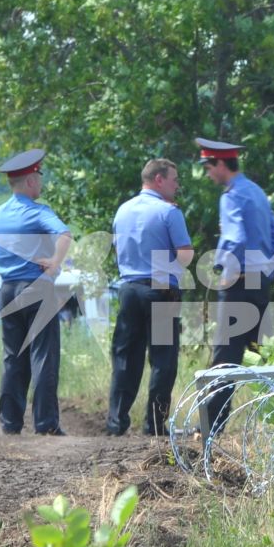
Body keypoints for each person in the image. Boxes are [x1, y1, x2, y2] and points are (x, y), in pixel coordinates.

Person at [0, 148, 73, 436]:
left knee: (12, 356)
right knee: (43, 355)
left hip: (8, 290)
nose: (41, 183)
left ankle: (10, 423)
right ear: (31, 180)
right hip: (37, 287)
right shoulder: (38, 212)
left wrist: (6, 259)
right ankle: (45, 424)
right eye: (39, 177)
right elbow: (65, 235)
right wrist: (54, 264)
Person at [196, 137, 274, 434]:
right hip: (259, 286)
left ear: (221, 164)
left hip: (238, 286)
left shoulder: (231, 196)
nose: (208, 174)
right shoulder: (257, 192)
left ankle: (210, 430)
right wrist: (267, 273)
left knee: (225, 359)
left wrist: (224, 269)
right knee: (261, 355)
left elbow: (234, 238)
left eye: (209, 167)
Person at [107, 157, 194, 436]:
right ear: (159, 179)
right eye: (174, 179)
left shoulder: (122, 210)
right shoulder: (169, 213)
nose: (177, 185)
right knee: (163, 360)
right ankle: (154, 425)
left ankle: (116, 423)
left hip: (129, 288)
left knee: (125, 358)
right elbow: (185, 256)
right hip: (160, 287)